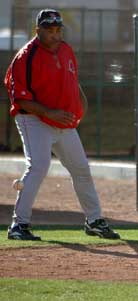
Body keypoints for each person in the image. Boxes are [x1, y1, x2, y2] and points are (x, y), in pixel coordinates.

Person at [3, 9, 120, 240]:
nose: (55, 35)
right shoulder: (26, 56)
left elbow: (73, 82)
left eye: (58, 30)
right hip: (33, 118)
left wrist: (81, 104)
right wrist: (49, 113)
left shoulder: (65, 49)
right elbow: (20, 98)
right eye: (49, 30)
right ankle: (19, 225)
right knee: (38, 167)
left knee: (81, 169)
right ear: (38, 31)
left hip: (63, 121)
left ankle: (94, 220)